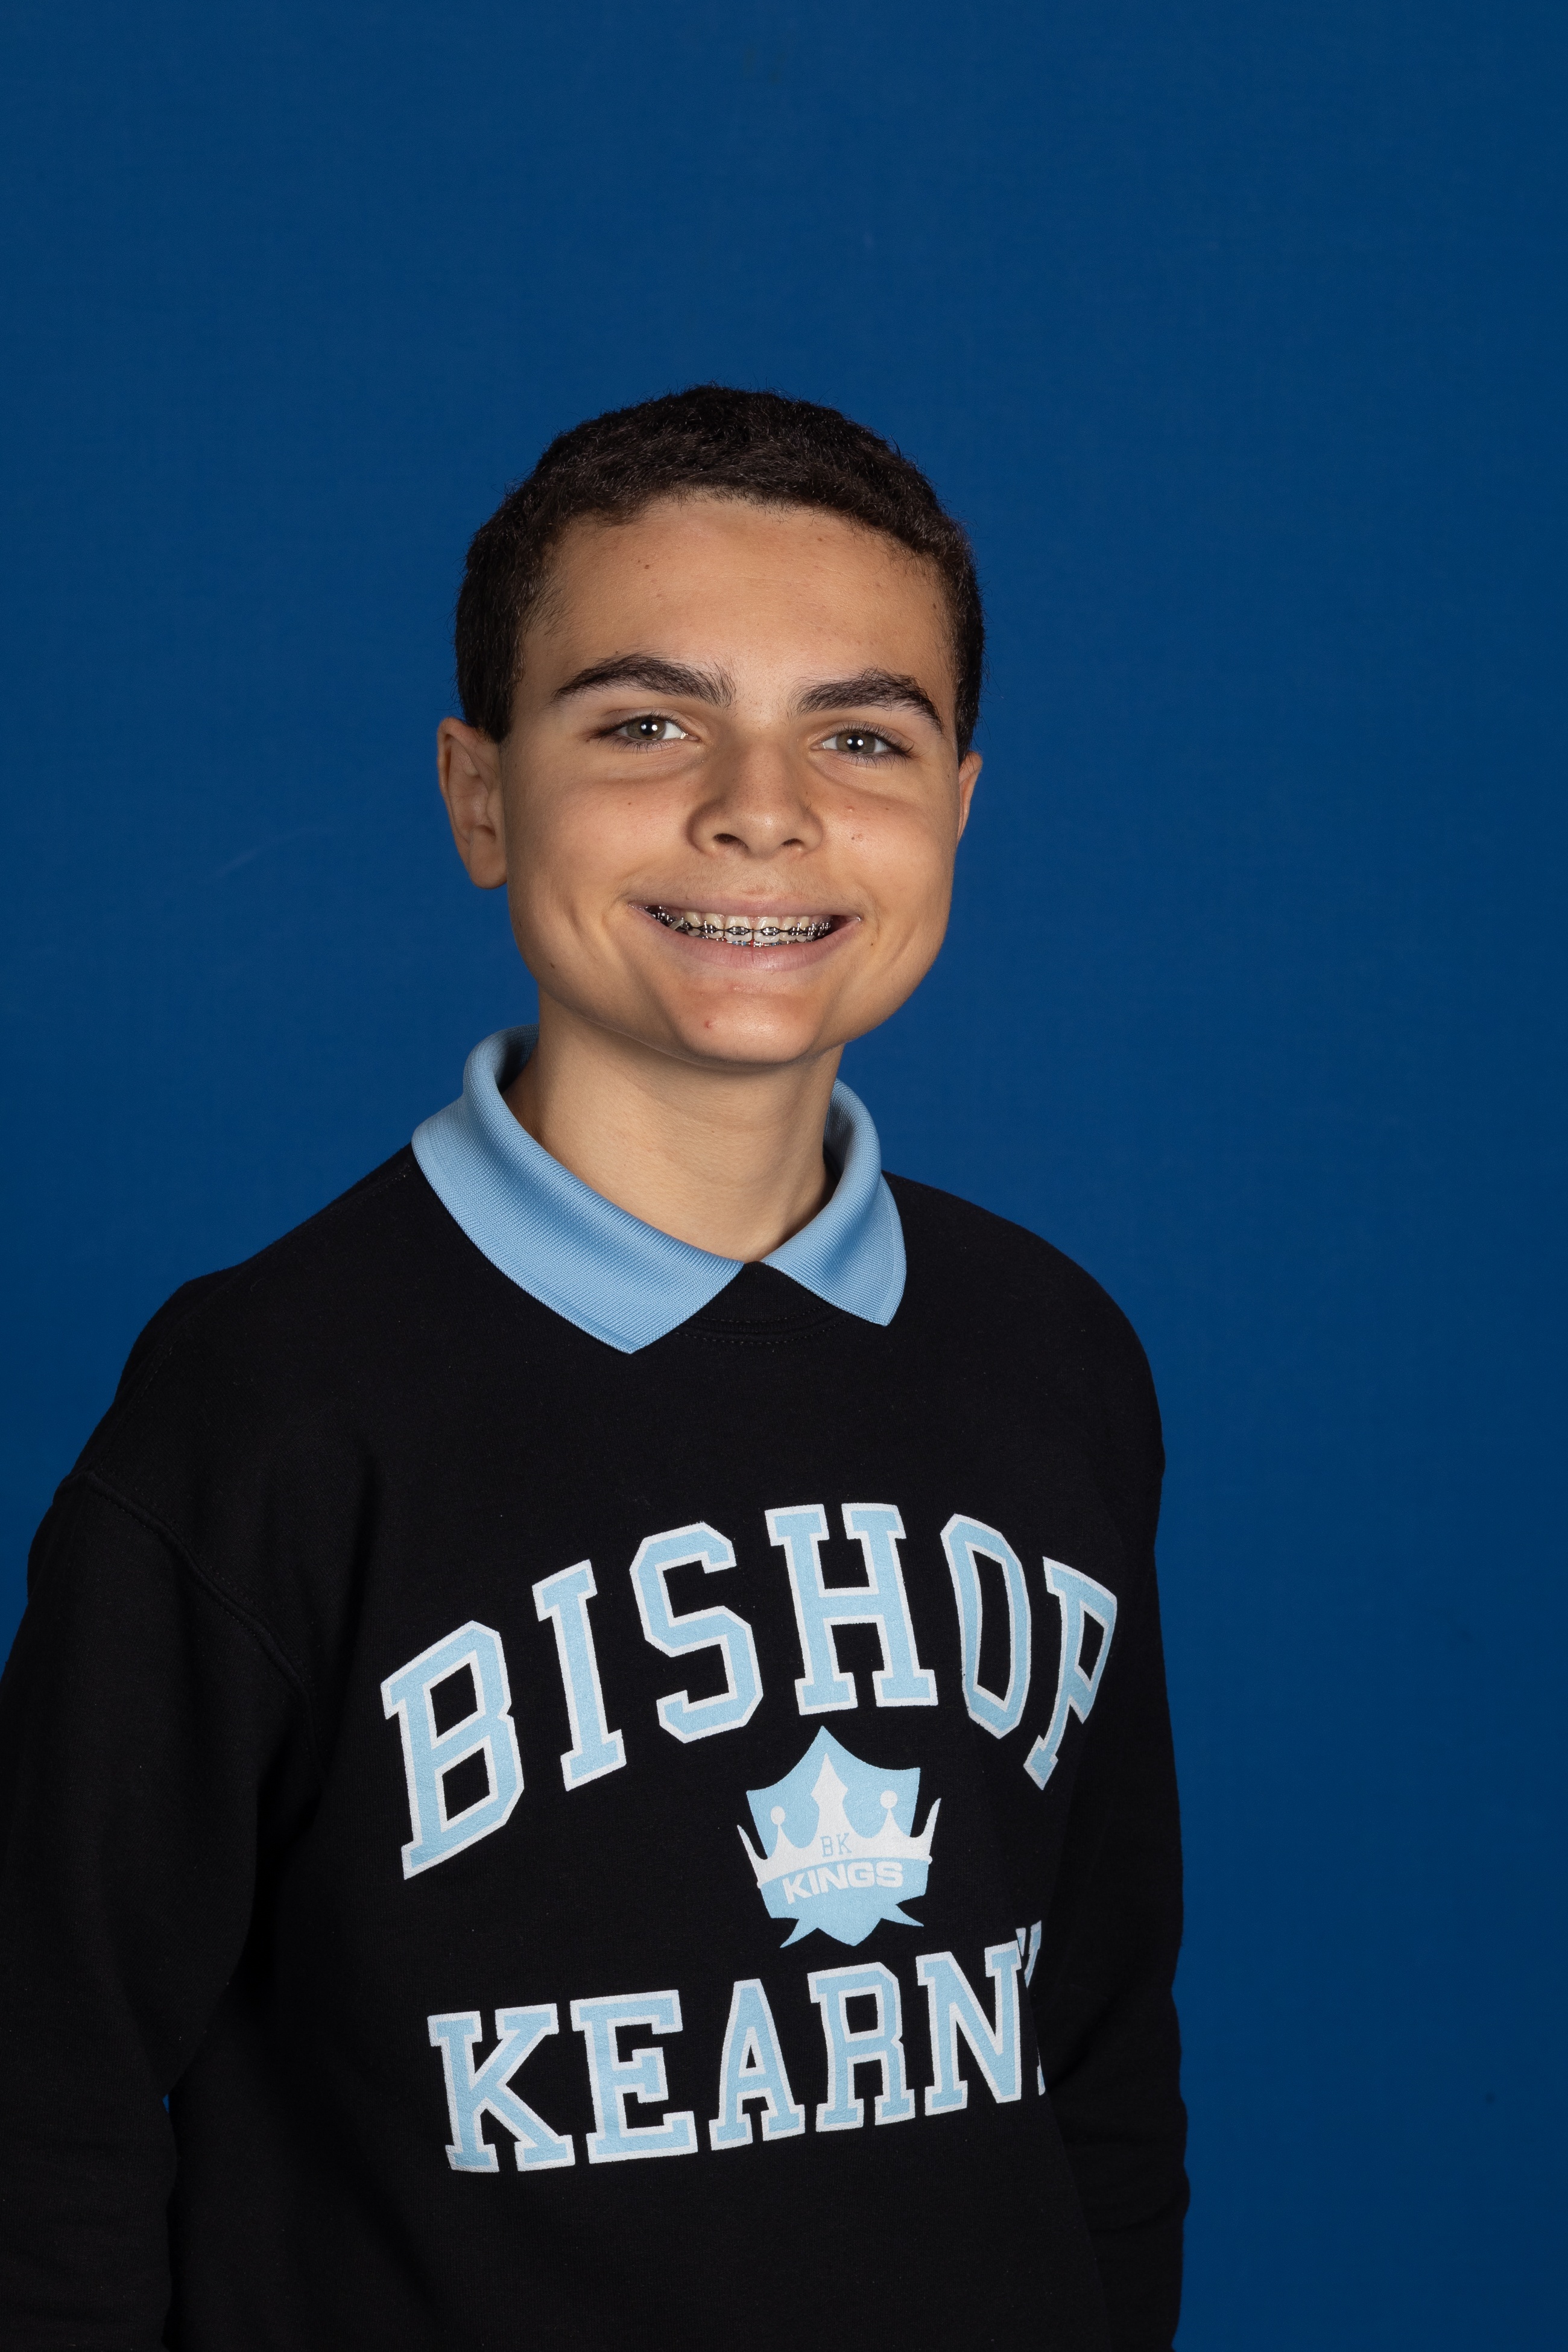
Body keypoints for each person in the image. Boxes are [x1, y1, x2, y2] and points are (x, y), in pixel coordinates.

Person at [0, 385, 1186, 2350]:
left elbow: (1101, 2042)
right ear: (481, 794)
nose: (760, 807)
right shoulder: (268, 1403)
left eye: (862, 734)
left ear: (961, 806)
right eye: (646, 723)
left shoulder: (1052, 1356)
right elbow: (47, 2105)